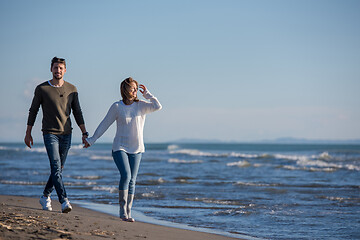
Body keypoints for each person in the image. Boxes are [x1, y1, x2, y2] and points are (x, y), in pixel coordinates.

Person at [84, 77, 162, 222]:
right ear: (125, 90)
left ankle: (128, 211)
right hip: (120, 147)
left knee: (132, 180)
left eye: (135, 88)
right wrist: (92, 140)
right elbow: (104, 124)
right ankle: (122, 210)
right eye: (132, 88)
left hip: (137, 148)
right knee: (126, 176)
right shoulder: (117, 107)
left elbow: (158, 106)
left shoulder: (141, 105)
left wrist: (148, 95)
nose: (134, 91)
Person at [24, 57, 88, 213]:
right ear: (51, 69)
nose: (58, 70)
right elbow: (33, 110)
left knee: (58, 169)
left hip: (67, 134)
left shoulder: (72, 89)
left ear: (65, 70)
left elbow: (77, 112)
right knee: (55, 167)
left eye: (60, 68)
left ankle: (45, 196)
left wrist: (84, 132)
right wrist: (28, 133)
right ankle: (64, 200)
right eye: (55, 68)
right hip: (49, 133)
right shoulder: (42, 89)